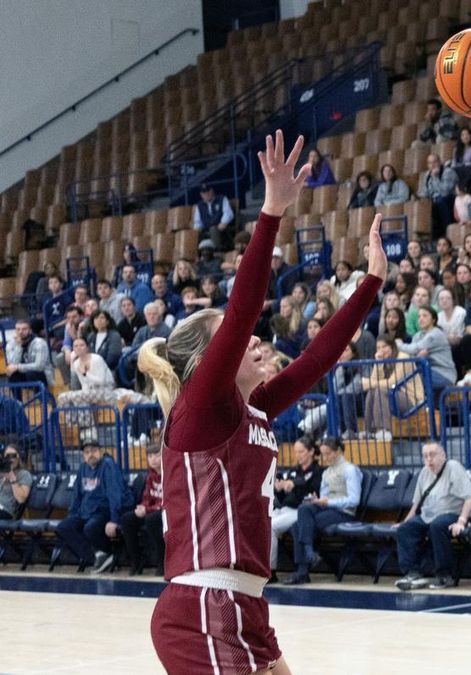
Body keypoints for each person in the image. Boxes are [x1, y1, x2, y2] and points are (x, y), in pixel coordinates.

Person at [136, 131, 384, 674]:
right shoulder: (203, 408)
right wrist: (271, 211)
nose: (253, 339)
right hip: (202, 607)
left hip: (245, 604)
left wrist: (370, 283)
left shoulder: (255, 408)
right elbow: (246, 306)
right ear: (209, 358)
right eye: (233, 335)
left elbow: (318, 359)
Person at [393, 442, 471, 591]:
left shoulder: (453, 467)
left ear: (443, 455)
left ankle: (445, 575)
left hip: (455, 513)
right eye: (425, 456)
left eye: (432, 455)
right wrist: (404, 522)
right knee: (406, 530)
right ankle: (413, 573)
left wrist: (461, 522)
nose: (429, 459)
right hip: (429, 515)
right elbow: (416, 504)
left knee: (437, 526)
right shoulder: (424, 473)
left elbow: (470, 498)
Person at [283, 437, 363, 584]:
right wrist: (317, 500)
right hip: (327, 509)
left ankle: (303, 568)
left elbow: (354, 500)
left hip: (344, 512)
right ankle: (308, 554)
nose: (325, 458)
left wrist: (329, 502)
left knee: (298, 526)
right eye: (323, 454)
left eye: (328, 454)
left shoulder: (350, 470)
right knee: (304, 509)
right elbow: (324, 496)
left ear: (338, 451)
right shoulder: (326, 473)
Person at [55, 442, 131, 575]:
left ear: (101, 452)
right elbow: (77, 496)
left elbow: (115, 494)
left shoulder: (108, 466)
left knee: (90, 527)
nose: (91, 454)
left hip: (104, 510)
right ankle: (98, 556)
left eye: (94, 451)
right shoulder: (83, 468)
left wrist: (114, 520)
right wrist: (72, 516)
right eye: (87, 452)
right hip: (86, 512)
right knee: (64, 527)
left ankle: (105, 553)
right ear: (83, 456)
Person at [268, 437, 322, 573]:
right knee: (262, 522)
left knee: (271, 527)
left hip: (300, 511)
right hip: (284, 509)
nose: (298, 455)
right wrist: (278, 487)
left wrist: (294, 486)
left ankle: (270, 570)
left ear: (310, 451)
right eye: (296, 452)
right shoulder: (294, 471)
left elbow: (313, 491)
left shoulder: (318, 471)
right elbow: (284, 496)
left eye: (301, 451)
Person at [119, 443, 164, 575]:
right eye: (150, 456)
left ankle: (162, 562)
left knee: (151, 519)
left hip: (167, 512)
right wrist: (143, 506)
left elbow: (168, 501)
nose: (153, 459)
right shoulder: (150, 476)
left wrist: (148, 509)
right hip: (152, 511)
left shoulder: (171, 474)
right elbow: (147, 496)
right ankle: (136, 561)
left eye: (157, 455)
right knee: (127, 519)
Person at [397, 306, 457, 391]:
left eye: (425, 316)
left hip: (443, 373)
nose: (421, 319)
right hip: (426, 371)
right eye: (419, 316)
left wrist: (399, 344)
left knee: (412, 380)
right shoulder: (418, 335)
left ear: (433, 319)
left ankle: (422, 403)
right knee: (404, 377)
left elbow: (415, 349)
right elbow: (411, 355)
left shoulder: (436, 334)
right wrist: (417, 357)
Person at [418, 154, 459, 237]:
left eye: (434, 162)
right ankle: (433, 237)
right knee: (427, 205)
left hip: (450, 199)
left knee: (440, 201)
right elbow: (423, 191)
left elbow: (445, 191)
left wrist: (435, 177)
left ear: (440, 162)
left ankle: (448, 231)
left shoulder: (448, 172)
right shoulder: (427, 175)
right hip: (435, 200)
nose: (432, 165)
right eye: (430, 163)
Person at [4, 319, 51, 385]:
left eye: (24, 329)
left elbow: (39, 366)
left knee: (31, 373)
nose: (20, 332)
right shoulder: (11, 344)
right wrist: (19, 347)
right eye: (18, 329)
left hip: (42, 376)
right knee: (12, 374)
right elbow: (12, 365)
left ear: (30, 331)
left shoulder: (40, 343)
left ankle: (39, 395)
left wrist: (18, 367)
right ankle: (17, 395)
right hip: (24, 375)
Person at [192, 184, 235, 251]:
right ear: (201, 194)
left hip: (220, 229)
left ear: (212, 191)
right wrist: (196, 231)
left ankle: (216, 252)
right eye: (204, 192)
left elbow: (228, 213)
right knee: (195, 234)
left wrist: (223, 222)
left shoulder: (222, 199)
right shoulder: (199, 205)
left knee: (213, 229)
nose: (207, 194)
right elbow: (198, 222)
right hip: (206, 231)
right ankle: (196, 255)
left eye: (208, 191)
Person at [0, 445, 32, 521]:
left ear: (19, 457)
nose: (11, 459)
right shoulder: (2, 473)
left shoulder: (24, 474)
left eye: (13, 456)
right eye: (7, 456)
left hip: (6, 511)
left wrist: (12, 479)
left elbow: (21, 499)